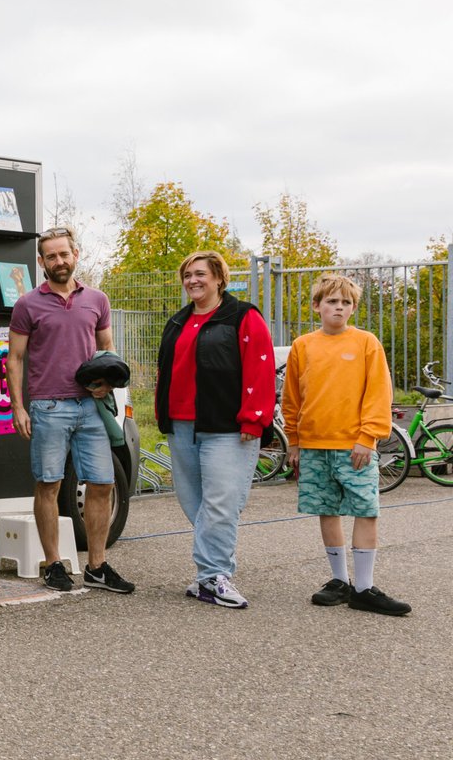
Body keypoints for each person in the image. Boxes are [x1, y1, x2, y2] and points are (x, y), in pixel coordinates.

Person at [6, 226, 135, 594]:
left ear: (75, 254)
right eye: (51, 256)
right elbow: (14, 359)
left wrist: (107, 383)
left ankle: (97, 566)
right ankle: (53, 564)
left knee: (102, 483)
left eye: (64, 254)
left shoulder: (97, 299)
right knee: (48, 484)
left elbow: (106, 351)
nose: (59, 261)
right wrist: (19, 407)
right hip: (48, 407)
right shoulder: (27, 304)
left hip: (91, 407)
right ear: (41, 261)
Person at [282, 274, 411, 616]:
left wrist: (368, 437)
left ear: (353, 308)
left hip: (354, 446)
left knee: (365, 510)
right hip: (313, 445)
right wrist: (293, 441)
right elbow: (291, 398)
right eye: (331, 302)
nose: (338, 308)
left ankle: (365, 588)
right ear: (317, 306)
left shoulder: (366, 343)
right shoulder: (302, 346)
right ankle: (339, 581)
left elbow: (378, 394)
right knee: (327, 509)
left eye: (346, 303)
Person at [155, 250, 276, 609]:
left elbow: (260, 368)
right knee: (196, 505)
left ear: (219, 278)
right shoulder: (177, 321)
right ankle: (208, 576)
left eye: (200, 274)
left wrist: (254, 418)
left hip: (227, 427)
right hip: (181, 426)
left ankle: (214, 575)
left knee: (221, 503)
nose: (193, 280)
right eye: (187, 275)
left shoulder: (243, 316)